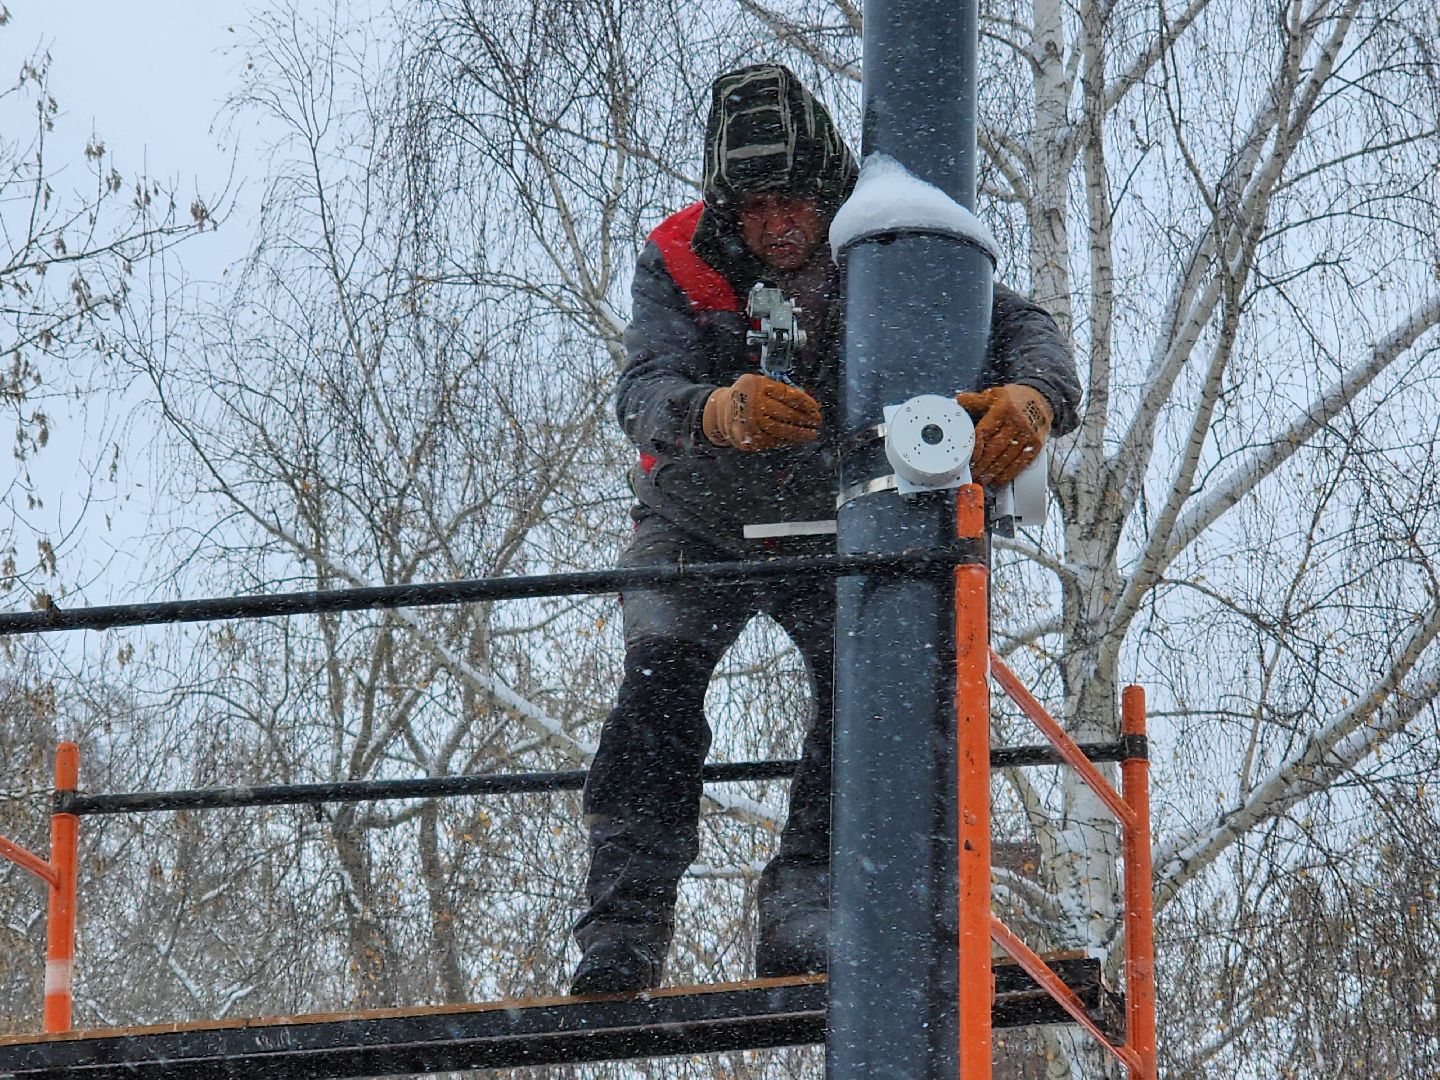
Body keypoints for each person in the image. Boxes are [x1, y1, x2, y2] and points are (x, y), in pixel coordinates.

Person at [570, 63, 1081, 995]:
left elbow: (1024, 327)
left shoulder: (885, 242)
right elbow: (643, 388)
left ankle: (807, 908)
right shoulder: (681, 258)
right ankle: (622, 931)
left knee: (865, 689)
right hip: (698, 522)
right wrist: (715, 412)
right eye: (755, 205)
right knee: (656, 690)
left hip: (830, 525)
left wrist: (1034, 397)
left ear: (833, 185)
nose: (776, 225)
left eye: (793, 199)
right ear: (728, 206)